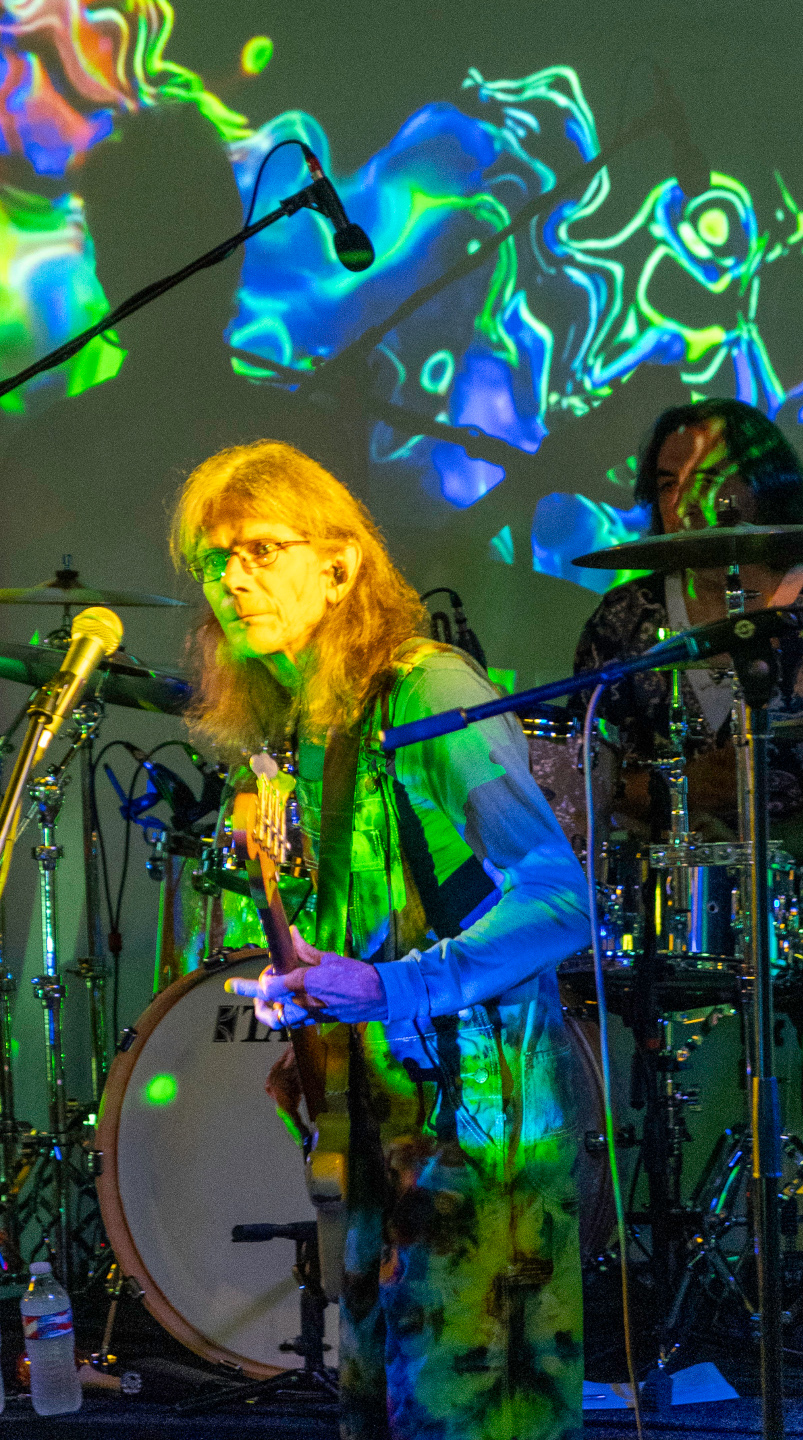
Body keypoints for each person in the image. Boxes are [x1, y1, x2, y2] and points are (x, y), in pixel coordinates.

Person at [171, 440, 589, 1440]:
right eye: (214, 560)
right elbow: (346, 941)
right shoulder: (303, 724)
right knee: (382, 1409)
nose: (233, 579)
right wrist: (304, 1010)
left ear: (340, 564)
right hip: (377, 1133)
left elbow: (559, 898)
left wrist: (396, 989)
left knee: (470, 1409)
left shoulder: (426, 692)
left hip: (477, 1125)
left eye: (260, 549)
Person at [573, 397, 803, 1180]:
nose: (685, 499)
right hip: (660, 919)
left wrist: (749, 853)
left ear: (762, 483)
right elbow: (584, 780)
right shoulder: (625, 620)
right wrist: (679, 795)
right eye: (668, 482)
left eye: (707, 477)